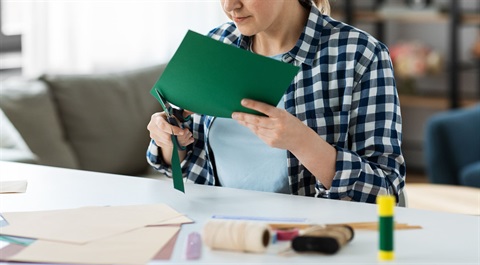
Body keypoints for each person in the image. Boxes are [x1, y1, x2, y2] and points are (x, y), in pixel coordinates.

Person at [146, 0, 406, 204]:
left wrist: (302, 141)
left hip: (306, 239)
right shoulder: (215, 45)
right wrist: (169, 138)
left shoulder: (360, 55)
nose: (229, 6)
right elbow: (184, 166)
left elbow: (386, 190)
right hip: (215, 231)